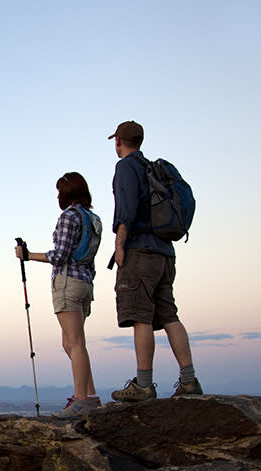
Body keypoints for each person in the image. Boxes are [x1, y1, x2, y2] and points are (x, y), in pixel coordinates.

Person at [108, 120, 203, 400]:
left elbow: (126, 210)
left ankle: (144, 384)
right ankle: (189, 379)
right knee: (169, 315)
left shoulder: (126, 167)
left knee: (140, 316)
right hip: (165, 253)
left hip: (141, 251)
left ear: (119, 142)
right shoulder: (153, 168)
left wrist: (120, 246)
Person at [14, 171, 101, 418]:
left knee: (75, 343)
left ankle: (82, 400)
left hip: (68, 284)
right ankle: (89, 395)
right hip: (85, 283)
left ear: (66, 193)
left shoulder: (68, 217)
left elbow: (59, 255)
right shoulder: (93, 219)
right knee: (72, 343)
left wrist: (28, 256)